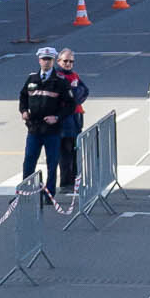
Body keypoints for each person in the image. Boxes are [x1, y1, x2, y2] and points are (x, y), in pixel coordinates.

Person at [19, 47, 68, 199]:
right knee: (29, 161)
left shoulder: (60, 81)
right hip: (34, 128)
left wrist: (57, 118)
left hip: (52, 130)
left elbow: (70, 105)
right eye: (44, 59)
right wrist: (24, 111)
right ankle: (25, 193)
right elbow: (23, 96)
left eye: (49, 59)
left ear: (53, 61)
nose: (46, 62)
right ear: (39, 60)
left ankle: (50, 194)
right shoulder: (32, 78)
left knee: (52, 164)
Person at [55, 47, 88, 191]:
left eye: (71, 61)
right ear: (59, 61)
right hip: (65, 119)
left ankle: (75, 180)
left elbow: (85, 91)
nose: (68, 64)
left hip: (75, 117)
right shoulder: (57, 76)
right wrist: (75, 92)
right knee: (65, 151)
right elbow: (70, 97)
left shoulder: (74, 75)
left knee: (75, 150)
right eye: (65, 61)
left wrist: (75, 94)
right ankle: (65, 182)